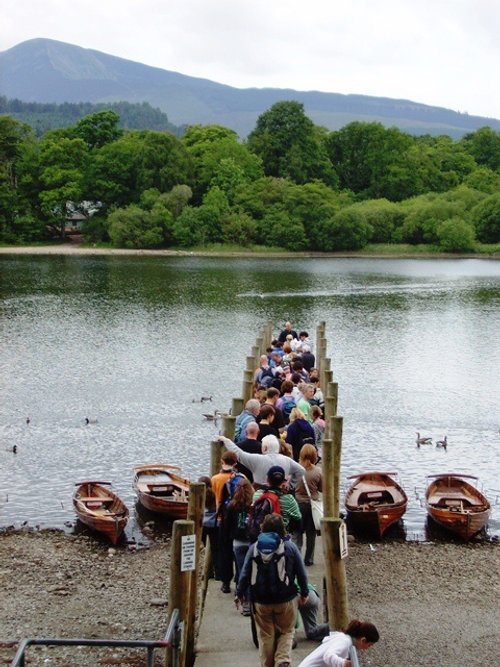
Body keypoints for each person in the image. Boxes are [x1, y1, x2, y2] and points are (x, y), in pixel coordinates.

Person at [236, 513, 309, 667]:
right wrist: (304, 593)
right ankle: (282, 660)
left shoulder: (254, 548)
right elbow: (302, 573)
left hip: (261, 601)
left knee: (265, 636)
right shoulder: (290, 547)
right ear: (282, 529)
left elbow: (245, 573)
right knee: (287, 632)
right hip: (286, 599)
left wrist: (240, 594)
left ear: (263, 528)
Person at [219, 433, 305, 490]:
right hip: (280, 495)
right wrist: (290, 485)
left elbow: (239, 454)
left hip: (260, 496)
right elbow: (301, 470)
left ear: (265, 448)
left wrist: (226, 440)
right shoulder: (287, 460)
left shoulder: (257, 459)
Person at [223, 476, 254, 616]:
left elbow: (226, 526)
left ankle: (245, 601)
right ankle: (251, 600)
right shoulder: (253, 505)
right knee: (252, 571)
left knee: (241, 571)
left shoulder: (231, 506)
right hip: (251, 542)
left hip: (238, 542)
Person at [296, 619, 379, 667]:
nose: (367, 649)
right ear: (363, 640)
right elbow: (328, 656)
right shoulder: (345, 641)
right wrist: (343, 663)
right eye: (369, 645)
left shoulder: (346, 641)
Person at [293, 444, 322, 565]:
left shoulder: (295, 469)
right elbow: (322, 489)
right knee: (311, 533)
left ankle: (296, 556)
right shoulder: (318, 471)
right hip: (312, 505)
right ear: (314, 455)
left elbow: (290, 485)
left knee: (297, 532)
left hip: (298, 503)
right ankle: (309, 559)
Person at [252, 465, 303, 534]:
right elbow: (298, 519)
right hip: (281, 536)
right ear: (283, 482)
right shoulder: (289, 499)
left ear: (267, 479)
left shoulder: (258, 494)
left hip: (259, 535)